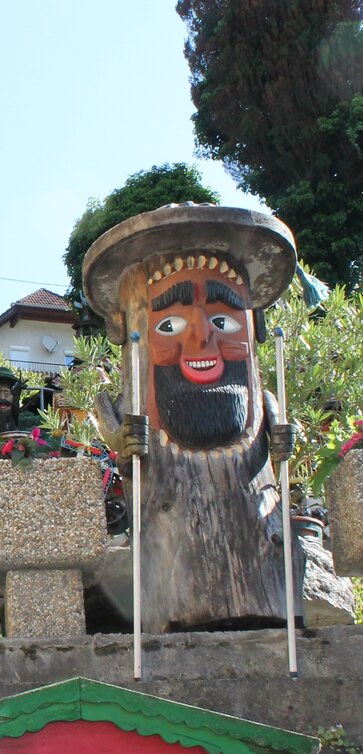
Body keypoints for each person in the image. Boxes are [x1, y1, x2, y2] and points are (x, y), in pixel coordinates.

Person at [84, 204, 299, 632]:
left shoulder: (265, 405)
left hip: (264, 572)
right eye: (170, 324)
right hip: (172, 589)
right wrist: (123, 445)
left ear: (252, 324)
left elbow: (273, 426)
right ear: (130, 333)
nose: (203, 337)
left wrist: (281, 439)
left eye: (223, 320)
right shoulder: (122, 411)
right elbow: (114, 436)